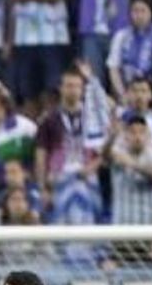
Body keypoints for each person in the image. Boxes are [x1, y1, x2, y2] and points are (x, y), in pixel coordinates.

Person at [34, 68, 108, 226]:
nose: (72, 90)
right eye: (68, 85)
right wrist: (42, 188)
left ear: (82, 90)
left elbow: (105, 152)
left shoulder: (93, 116)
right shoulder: (49, 119)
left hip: (87, 177)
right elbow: (41, 155)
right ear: (60, 88)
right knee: (61, 226)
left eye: (76, 86)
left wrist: (92, 167)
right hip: (59, 179)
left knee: (89, 225)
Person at [6, 0, 73, 107]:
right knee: (28, 94)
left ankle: (51, 125)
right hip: (23, 39)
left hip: (55, 39)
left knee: (53, 92)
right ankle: (31, 126)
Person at [108, 112, 152, 223]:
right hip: (123, 230)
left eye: (141, 132)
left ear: (148, 135)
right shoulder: (117, 154)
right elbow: (104, 155)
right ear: (125, 136)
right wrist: (111, 138)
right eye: (132, 132)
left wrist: (133, 164)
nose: (137, 137)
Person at [107, 0, 152, 101]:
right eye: (135, 11)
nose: (139, 15)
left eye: (143, 11)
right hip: (126, 90)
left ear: (151, 13)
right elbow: (113, 68)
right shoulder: (121, 36)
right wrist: (122, 95)